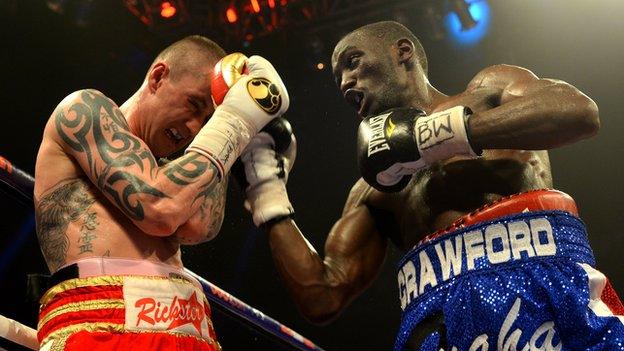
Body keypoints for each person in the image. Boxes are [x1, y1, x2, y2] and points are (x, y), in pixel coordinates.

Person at [235, 21, 624, 350]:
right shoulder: (373, 189)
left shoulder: (488, 91)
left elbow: (579, 112)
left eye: (353, 63)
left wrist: (436, 135)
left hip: (538, 282)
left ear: (402, 52)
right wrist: (265, 190)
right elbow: (323, 295)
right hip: (437, 319)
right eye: (338, 77)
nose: (346, 81)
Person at [33, 35, 289, 351]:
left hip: (191, 328)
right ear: (157, 77)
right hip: (103, 324)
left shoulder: (169, 172)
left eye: (209, 121)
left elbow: (199, 227)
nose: (196, 128)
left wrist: (236, 135)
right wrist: (235, 121)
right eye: (194, 104)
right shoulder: (87, 110)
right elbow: (158, 208)